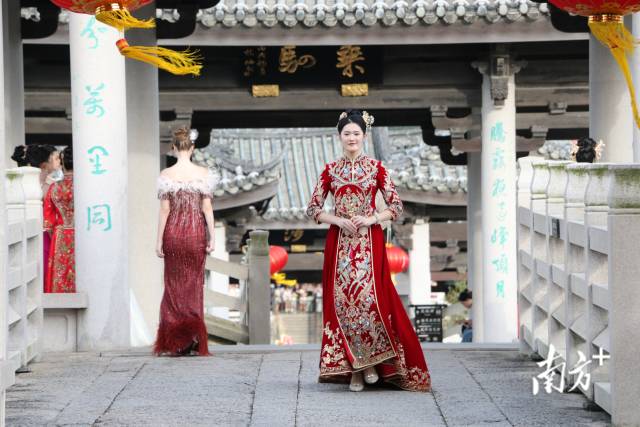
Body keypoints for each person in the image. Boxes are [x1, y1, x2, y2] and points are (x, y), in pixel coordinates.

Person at [306, 109, 431, 392]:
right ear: (339, 136)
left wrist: (372, 218)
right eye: (346, 133)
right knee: (343, 305)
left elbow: (396, 206)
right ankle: (357, 370)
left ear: (364, 136)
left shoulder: (376, 168)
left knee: (369, 302)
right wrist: (337, 220)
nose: (351, 138)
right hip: (340, 244)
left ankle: (372, 365)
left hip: (368, 243)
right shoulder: (330, 170)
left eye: (356, 133)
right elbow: (313, 208)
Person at [154, 126, 216, 356]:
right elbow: (207, 207)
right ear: (192, 148)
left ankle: (175, 340)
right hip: (195, 234)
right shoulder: (204, 173)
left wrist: (158, 240)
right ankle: (193, 337)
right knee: (194, 284)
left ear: (173, 148)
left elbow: (164, 210)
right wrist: (212, 236)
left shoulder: (166, 175)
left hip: (173, 234)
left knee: (173, 285)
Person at [43, 146, 75, 293]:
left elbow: (48, 223)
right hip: (84, 236)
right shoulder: (86, 188)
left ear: (62, 164)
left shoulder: (54, 188)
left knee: (60, 276)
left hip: (60, 236)